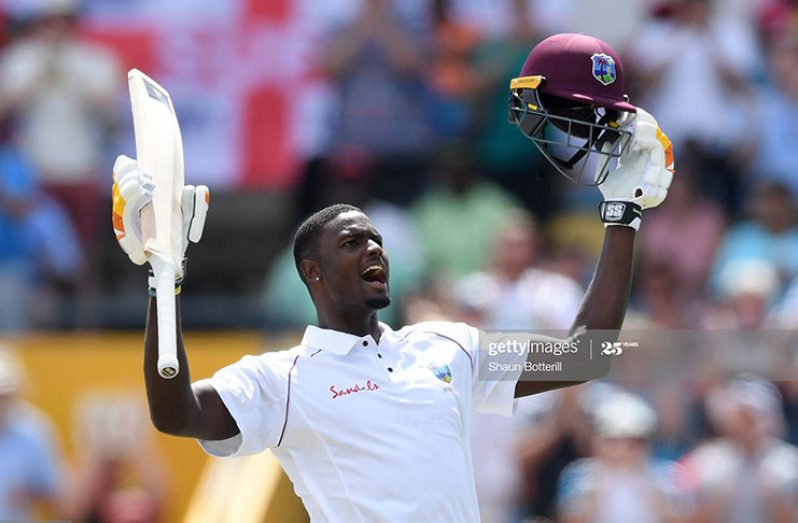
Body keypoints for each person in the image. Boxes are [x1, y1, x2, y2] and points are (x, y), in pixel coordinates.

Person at [111, 33, 673, 521]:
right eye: (352, 243)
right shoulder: (281, 380)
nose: (374, 250)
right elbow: (176, 412)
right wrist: (164, 278)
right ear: (312, 272)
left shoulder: (448, 347)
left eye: (377, 241)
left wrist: (622, 211)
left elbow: (585, 355)